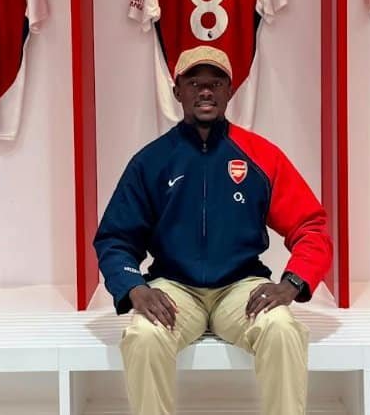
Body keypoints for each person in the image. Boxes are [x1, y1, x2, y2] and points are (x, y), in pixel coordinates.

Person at [94, 45, 333, 415]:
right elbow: (115, 238)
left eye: (215, 83)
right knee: (143, 335)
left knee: (283, 329)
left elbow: (311, 226)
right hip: (175, 289)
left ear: (229, 91)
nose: (205, 91)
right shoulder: (152, 161)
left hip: (240, 289)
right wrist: (134, 287)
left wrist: (293, 283)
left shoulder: (260, 155)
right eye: (194, 83)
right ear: (178, 92)